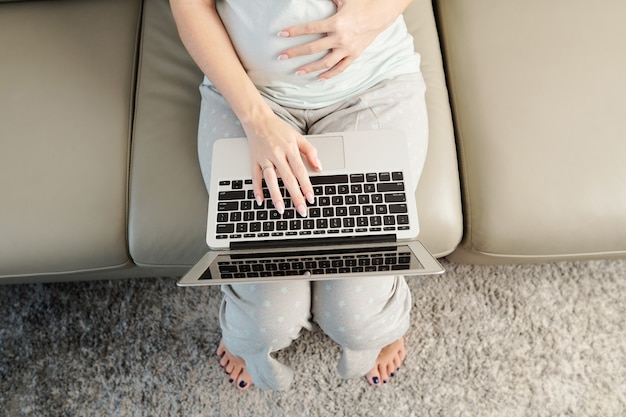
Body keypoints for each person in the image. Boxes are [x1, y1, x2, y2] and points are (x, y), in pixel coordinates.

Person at [170, 0, 428, 391]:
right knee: (262, 324)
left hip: (374, 85)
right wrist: (256, 120)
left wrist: (372, 16)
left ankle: (378, 329)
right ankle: (250, 340)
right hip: (249, 97)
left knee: (359, 321)